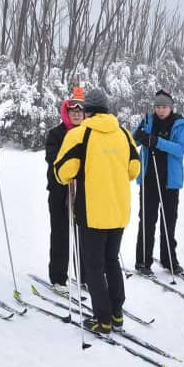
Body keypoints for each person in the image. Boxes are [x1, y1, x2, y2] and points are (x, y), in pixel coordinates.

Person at [53, 88, 140, 336]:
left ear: (88, 110)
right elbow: (134, 169)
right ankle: (116, 314)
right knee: (111, 261)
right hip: (119, 210)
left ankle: (102, 320)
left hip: (92, 212)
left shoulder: (81, 134)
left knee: (93, 267)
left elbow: (63, 171)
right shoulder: (123, 134)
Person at [132, 89, 184, 277]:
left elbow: (180, 149)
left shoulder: (180, 123)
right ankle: (142, 261)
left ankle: (169, 260)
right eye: (158, 106)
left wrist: (156, 141)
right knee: (147, 222)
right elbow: (132, 140)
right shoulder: (148, 120)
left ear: (171, 107)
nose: (161, 110)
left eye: (164, 107)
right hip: (149, 178)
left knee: (168, 222)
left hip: (169, 181)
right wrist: (139, 136)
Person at [44, 87, 85, 292]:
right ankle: (59, 277)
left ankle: (86, 276)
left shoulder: (90, 133)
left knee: (85, 234)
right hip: (60, 190)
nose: (76, 115)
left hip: (84, 192)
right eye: (73, 112)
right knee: (60, 234)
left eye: (80, 112)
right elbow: (53, 158)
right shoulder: (56, 134)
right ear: (66, 113)